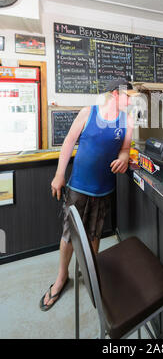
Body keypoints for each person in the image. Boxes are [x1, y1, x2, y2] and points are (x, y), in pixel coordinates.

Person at [39, 79, 138, 311]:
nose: (131, 100)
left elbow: (124, 148)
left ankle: (89, 273)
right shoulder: (88, 113)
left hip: (104, 189)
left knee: (95, 234)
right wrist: (59, 174)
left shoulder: (128, 120)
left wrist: (124, 158)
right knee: (69, 235)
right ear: (115, 94)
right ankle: (61, 279)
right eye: (128, 96)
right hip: (78, 187)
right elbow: (68, 143)